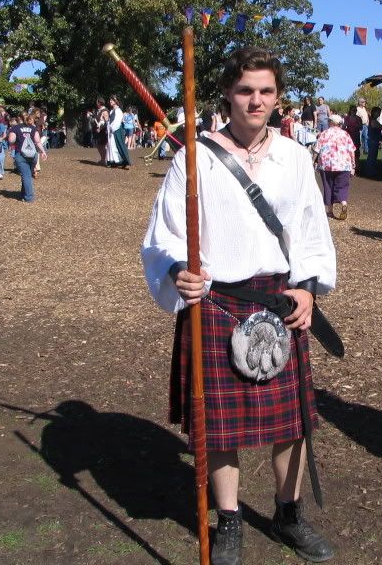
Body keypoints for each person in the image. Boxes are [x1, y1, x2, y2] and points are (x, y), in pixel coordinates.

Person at [141, 46, 337, 565]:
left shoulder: (295, 157)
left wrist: (307, 288)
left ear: (277, 97)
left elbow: (312, 232)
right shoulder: (194, 155)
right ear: (228, 94)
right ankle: (228, 521)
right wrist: (174, 273)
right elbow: (161, 238)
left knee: (291, 422)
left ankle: (288, 514)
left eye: (266, 91)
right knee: (218, 424)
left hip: (278, 298)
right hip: (215, 301)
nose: (256, 100)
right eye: (246, 90)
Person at [314, 113, 355, 220]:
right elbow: (351, 150)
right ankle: (343, 203)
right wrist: (353, 165)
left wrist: (313, 161)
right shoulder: (345, 134)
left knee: (328, 186)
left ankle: (330, 211)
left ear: (331, 123)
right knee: (342, 186)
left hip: (327, 164)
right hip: (344, 164)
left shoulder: (324, 134)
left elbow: (317, 149)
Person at [8, 114, 48, 203]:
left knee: (26, 175)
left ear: (19, 119)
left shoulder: (15, 128)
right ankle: (23, 193)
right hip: (32, 154)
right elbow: (37, 141)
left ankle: (29, 197)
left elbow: (11, 140)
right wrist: (43, 152)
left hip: (21, 154)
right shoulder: (33, 128)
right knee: (27, 175)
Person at [106, 96, 131, 168]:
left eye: (112, 100)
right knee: (111, 145)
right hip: (111, 131)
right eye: (110, 100)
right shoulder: (111, 111)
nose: (110, 101)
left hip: (117, 131)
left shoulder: (118, 111)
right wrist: (108, 128)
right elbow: (110, 121)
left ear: (116, 101)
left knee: (117, 145)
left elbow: (117, 122)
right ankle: (113, 161)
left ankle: (121, 161)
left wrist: (112, 128)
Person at [366, 107, 382, 178]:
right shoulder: (373, 121)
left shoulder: (374, 120)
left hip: (374, 140)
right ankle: (370, 172)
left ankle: (371, 171)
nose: (379, 114)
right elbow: (380, 127)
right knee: (372, 157)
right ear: (374, 112)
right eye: (378, 112)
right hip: (373, 140)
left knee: (372, 156)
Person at [94, 98, 108, 164]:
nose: (96, 104)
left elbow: (107, 122)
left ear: (100, 103)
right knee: (98, 145)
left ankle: (105, 160)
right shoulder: (99, 110)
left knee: (102, 145)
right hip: (98, 131)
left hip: (103, 131)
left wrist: (101, 128)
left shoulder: (104, 111)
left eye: (97, 102)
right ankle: (102, 159)